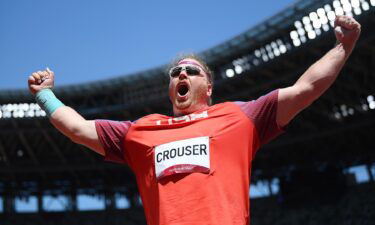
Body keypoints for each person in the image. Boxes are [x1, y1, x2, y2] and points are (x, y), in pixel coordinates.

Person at [28, 15, 361, 225]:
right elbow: (76, 128)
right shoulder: (141, 132)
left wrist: (342, 48)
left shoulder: (239, 117)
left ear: (209, 87)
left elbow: (305, 89)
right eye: (175, 72)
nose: (182, 73)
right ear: (172, 87)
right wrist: (45, 94)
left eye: (191, 70)